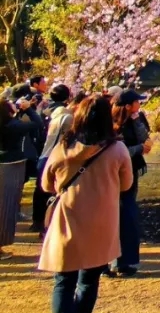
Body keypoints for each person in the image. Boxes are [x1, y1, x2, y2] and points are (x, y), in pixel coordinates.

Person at [38, 96, 133, 313]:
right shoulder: (117, 149)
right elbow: (126, 185)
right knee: (89, 281)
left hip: (68, 217)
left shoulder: (63, 147)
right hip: (101, 220)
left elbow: (46, 185)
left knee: (63, 281)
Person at [110, 89, 151, 276]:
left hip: (131, 170)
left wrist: (136, 120)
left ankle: (122, 260)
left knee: (126, 211)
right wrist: (140, 148)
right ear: (127, 105)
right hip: (117, 173)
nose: (139, 105)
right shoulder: (114, 125)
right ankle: (119, 260)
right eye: (136, 102)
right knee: (124, 213)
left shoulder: (135, 119)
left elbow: (145, 138)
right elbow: (120, 149)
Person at [1, 95, 41, 260]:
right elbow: (38, 124)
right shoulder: (14, 126)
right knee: (7, 207)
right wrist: (29, 109)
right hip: (12, 165)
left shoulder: (12, 124)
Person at [33, 85, 73, 233]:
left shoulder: (42, 109)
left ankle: (37, 221)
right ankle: (48, 225)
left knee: (40, 190)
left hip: (42, 152)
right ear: (67, 97)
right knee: (52, 192)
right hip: (55, 154)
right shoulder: (65, 115)